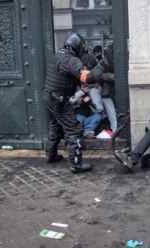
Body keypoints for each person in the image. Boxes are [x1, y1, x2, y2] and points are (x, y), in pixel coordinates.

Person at [43, 32, 109, 173]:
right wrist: (102, 65)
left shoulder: (56, 56)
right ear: (78, 48)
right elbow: (90, 77)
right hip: (58, 99)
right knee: (74, 129)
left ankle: (51, 155)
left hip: (49, 97)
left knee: (55, 127)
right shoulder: (71, 60)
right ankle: (75, 164)